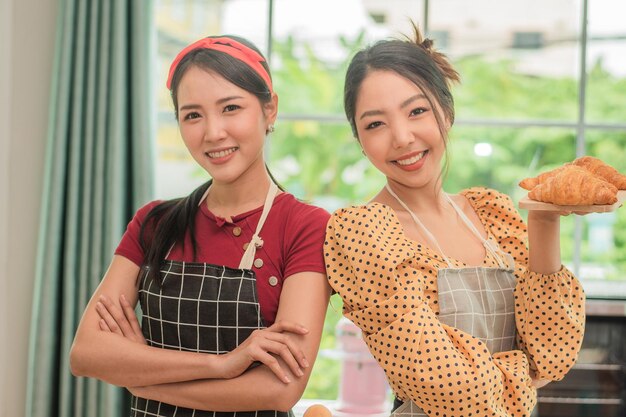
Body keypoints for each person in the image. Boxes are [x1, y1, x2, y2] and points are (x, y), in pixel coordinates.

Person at [324, 26, 585, 417]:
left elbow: (552, 352)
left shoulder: (490, 213)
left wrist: (544, 222)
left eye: (417, 111)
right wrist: (524, 375)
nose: (402, 137)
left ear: (445, 112)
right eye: (375, 124)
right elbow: (456, 391)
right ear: (360, 140)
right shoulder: (363, 233)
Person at [70, 35, 331, 417]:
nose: (213, 132)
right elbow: (86, 354)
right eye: (193, 114)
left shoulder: (304, 227)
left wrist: (138, 371)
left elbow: (279, 389)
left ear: (269, 109)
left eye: (230, 108)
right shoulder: (154, 223)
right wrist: (222, 365)